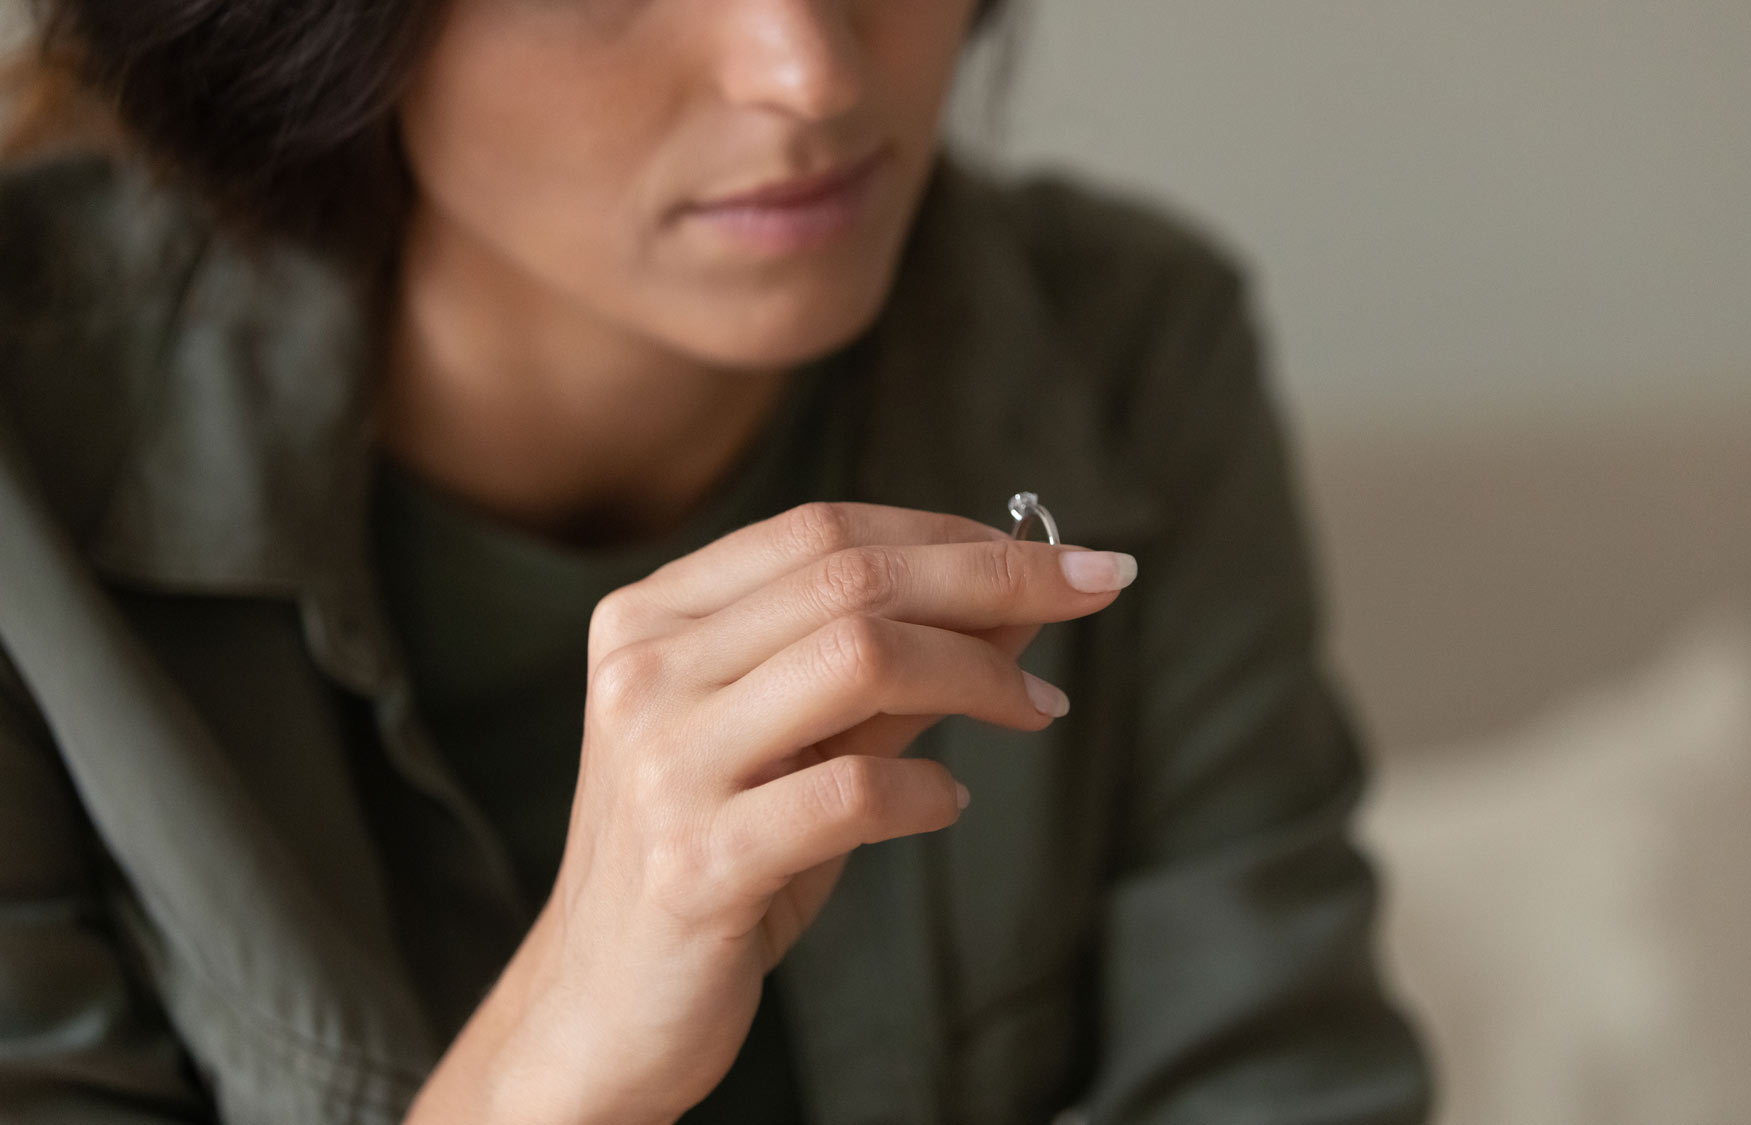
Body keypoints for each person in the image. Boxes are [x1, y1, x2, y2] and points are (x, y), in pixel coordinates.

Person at [0, 0, 1431, 1120]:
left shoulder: (1129, 357)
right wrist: (554, 1074)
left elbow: (1279, 1076)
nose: (806, 69)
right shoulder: (30, 477)